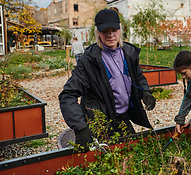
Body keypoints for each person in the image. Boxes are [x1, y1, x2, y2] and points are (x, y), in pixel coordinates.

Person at [59, 9, 156, 151]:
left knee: (133, 153)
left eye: (114, 30)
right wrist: (80, 127)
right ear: (97, 32)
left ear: (120, 30)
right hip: (101, 122)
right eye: (105, 31)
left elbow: (139, 76)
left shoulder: (129, 53)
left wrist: (145, 91)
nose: (111, 35)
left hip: (124, 117)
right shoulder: (89, 60)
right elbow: (67, 95)